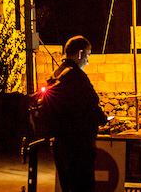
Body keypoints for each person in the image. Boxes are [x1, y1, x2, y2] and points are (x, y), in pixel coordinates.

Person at [44, 36, 108, 192]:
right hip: (80, 146)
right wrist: (103, 119)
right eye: (88, 55)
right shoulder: (77, 77)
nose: (87, 61)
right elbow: (92, 105)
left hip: (60, 145)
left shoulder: (56, 74)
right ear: (80, 54)